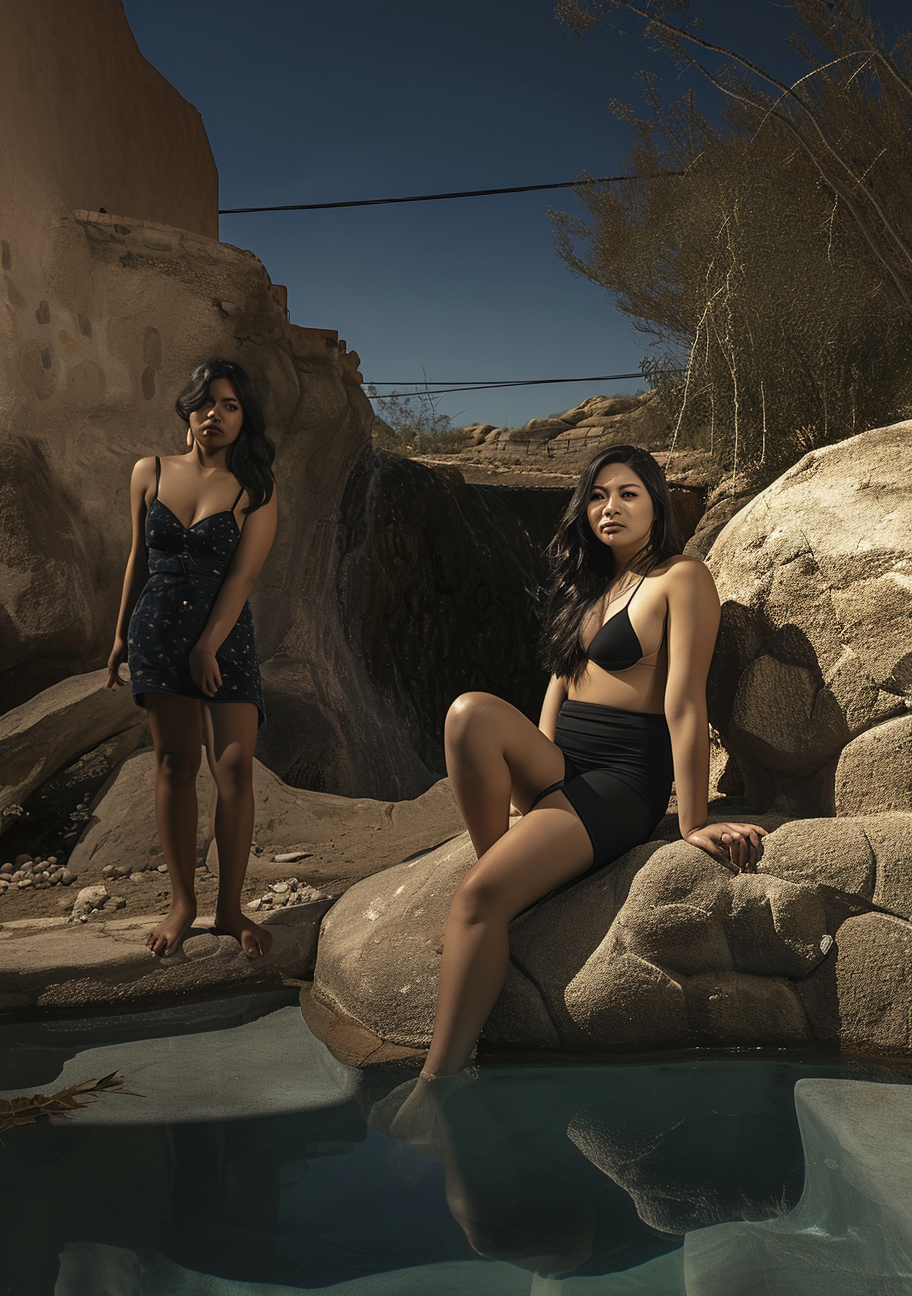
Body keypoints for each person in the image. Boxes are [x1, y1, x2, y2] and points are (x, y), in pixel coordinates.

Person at [416, 444, 767, 1084]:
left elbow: (685, 703)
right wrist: (536, 780)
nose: (611, 508)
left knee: (474, 901)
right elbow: (560, 682)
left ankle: (434, 1084)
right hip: (566, 762)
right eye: (600, 496)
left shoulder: (681, 578)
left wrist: (693, 822)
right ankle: (505, 876)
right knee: (467, 713)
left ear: (655, 503)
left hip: (622, 777)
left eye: (628, 494)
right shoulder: (592, 584)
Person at [106, 358, 277, 959]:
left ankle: (230, 909)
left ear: (243, 418)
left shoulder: (255, 490)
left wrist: (208, 645)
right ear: (188, 411)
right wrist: (122, 634)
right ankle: (183, 904)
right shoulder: (148, 471)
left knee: (233, 769)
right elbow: (137, 559)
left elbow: (244, 575)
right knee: (175, 766)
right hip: (157, 631)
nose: (216, 415)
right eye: (206, 403)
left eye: (230, 406)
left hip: (225, 637)